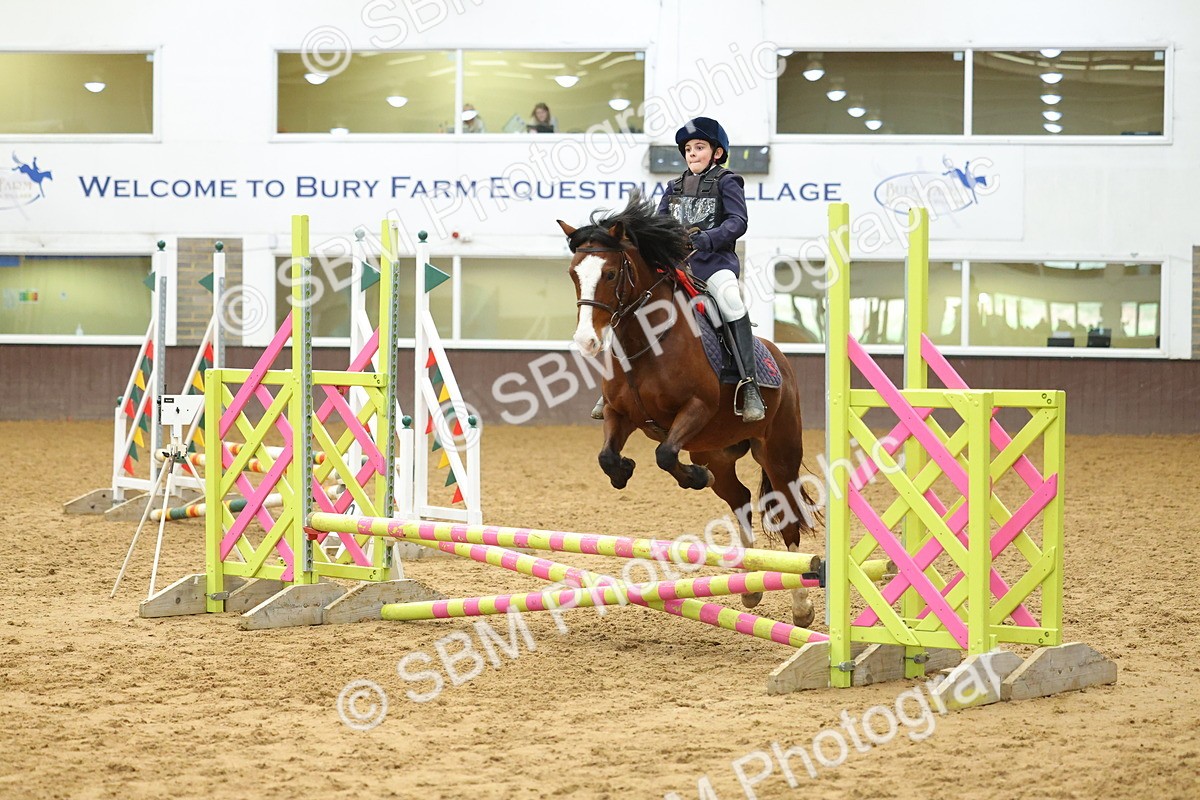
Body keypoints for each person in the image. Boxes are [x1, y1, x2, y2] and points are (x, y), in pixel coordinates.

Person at [590, 116, 763, 423]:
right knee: (635, 301)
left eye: (700, 147)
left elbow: (738, 222)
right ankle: (611, 386)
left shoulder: (727, 181)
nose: (692, 153)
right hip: (676, 267)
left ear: (717, 153)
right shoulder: (674, 187)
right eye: (688, 149)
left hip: (714, 266)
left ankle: (749, 385)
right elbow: (657, 225)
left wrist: (708, 238)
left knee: (732, 303)